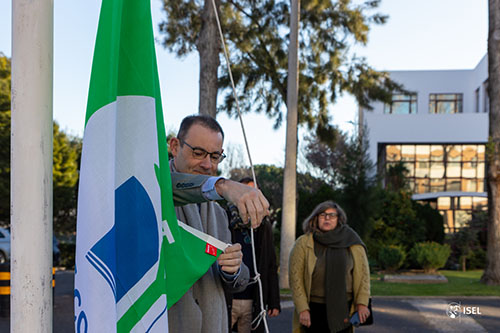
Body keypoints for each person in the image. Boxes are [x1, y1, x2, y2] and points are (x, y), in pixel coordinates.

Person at [167, 114, 270, 333]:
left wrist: (232, 269)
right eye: (198, 153)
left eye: (215, 156)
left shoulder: (218, 212)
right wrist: (223, 186)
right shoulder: (152, 190)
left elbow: (240, 281)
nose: (207, 164)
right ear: (175, 146)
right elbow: (170, 186)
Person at [289, 201, 370, 333]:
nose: (327, 218)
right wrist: (302, 309)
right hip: (314, 308)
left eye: (332, 215)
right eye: (323, 215)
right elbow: (295, 278)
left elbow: (364, 277)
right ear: (315, 218)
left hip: (344, 306)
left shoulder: (352, 241)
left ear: (339, 219)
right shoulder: (303, 243)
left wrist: (362, 303)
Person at [227, 178, 281, 333]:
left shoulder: (264, 226)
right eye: (244, 190)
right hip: (227, 297)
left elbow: (270, 263)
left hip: (253, 299)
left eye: (254, 192)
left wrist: (274, 301)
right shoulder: (223, 217)